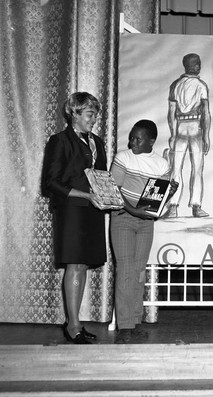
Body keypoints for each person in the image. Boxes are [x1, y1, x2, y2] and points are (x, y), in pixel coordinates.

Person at [42, 92, 107, 344]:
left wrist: (106, 196)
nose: (94, 120)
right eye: (90, 115)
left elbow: (100, 177)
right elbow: (51, 183)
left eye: (95, 115)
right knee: (74, 264)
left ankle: (74, 323)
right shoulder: (59, 141)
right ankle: (73, 326)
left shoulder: (97, 142)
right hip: (71, 210)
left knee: (82, 265)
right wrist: (85, 195)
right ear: (74, 114)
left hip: (92, 210)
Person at [110, 120, 177, 344]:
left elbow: (156, 201)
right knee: (126, 270)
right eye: (131, 138)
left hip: (146, 222)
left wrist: (169, 193)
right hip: (123, 218)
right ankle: (125, 326)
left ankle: (135, 321)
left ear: (151, 141)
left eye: (138, 139)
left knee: (139, 272)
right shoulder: (123, 158)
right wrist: (133, 211)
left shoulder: (162, 164)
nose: (132, 142)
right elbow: (114, 192)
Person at [163, 53, 211, 218]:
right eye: (196, 64)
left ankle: (174, 206)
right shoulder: (201, 85)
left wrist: (172, 133)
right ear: (195, 66)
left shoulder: (175, 85)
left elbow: (171, 114)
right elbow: (205, 113)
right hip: (195, 127)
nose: (197, 67)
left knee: (176, 169)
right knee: (195, 169)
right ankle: (194, 206)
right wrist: (206, 136)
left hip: (181, 128)